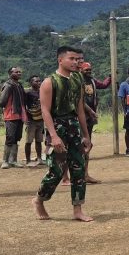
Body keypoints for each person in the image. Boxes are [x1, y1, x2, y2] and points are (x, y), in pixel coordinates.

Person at [34, 46, 94, 222]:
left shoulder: (77, 79)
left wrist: (86, 135)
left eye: (77, 59)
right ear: (60, 60)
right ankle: (39, 200)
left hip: (73, 127)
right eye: (71, 59)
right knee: (57, 170)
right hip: (57, 127)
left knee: (78, 168)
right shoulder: (49, 82)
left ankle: (78, 209)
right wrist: (53, 136)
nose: (76, 62)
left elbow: (80, 108)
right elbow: (45, 111)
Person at [0, 66, 27, 169]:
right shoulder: (8, 85)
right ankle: (5, 161)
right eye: (16, 72)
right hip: (11, 115)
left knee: (16, 137)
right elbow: (2, 102)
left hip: (19, 115)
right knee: (10, 137)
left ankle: (13, 160)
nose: (19, 73)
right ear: (10, 74)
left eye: (20, 72)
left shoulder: (19, 85)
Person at [24, 75, 45, 165]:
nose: (39, 82)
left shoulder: (42, 91)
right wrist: (25, 118)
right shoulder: (27, 93)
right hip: (31, 120)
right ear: (31, 82)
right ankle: (28, 160)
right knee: (29, 141)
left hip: (40, 119)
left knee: (39, 140)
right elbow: (24, 106)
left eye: (39, 81)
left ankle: (39, 158)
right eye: (36, 81)